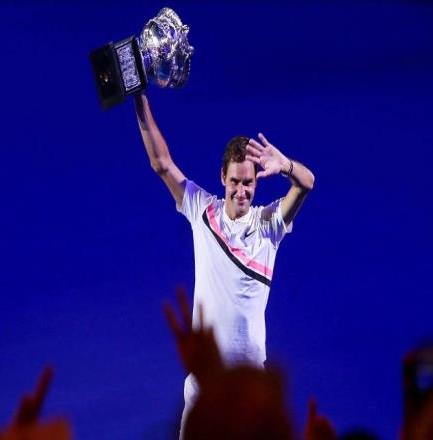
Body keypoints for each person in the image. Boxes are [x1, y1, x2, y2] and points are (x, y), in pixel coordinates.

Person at [134, 92, 315, 436]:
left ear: (256, 182)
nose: (241, 191)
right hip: (203, 385)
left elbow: (307, 183)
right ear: (222, 178)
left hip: (249, 388)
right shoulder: (202, 210)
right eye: (235, 182)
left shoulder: (269, 224)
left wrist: (286, 166)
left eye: (248, 183)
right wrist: (139, 101)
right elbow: (161, 163)